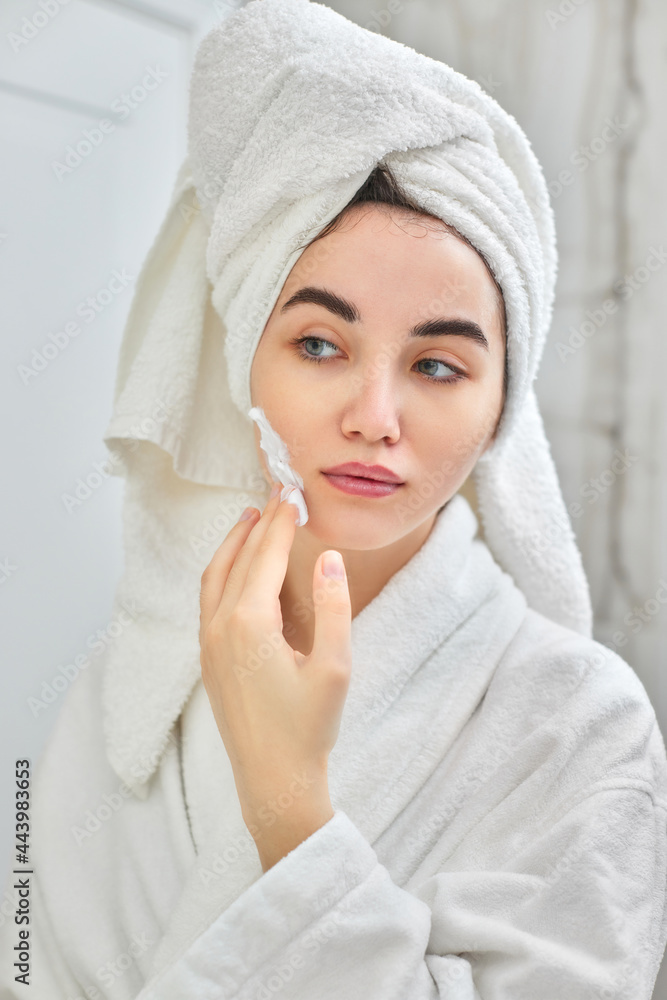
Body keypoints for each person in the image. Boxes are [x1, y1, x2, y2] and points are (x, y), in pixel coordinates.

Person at [1, 1, 665, 998]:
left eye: (437, 365)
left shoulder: (579, 723)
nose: (373, 417)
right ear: (244, 360)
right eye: (319, 344)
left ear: (499, 407)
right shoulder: (126, 689)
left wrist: (288, 805)